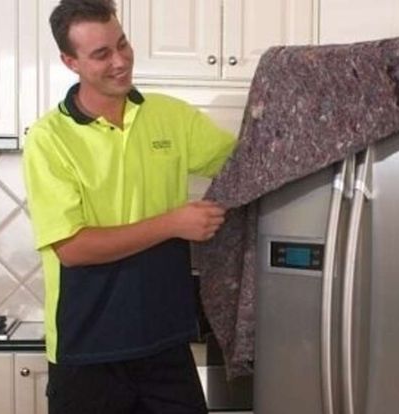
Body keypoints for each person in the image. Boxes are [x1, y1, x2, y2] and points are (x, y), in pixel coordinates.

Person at [22, 0, 236, 412]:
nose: (120, 61)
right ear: (71, 62)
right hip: (87, 349)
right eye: (101, 54)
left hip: (165, 340)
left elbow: (246, 166)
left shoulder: (171, 117)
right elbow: (73, 249)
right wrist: (174, 223)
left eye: (122, 43)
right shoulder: (49, 138)